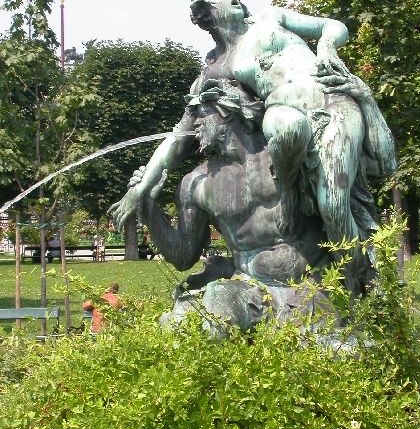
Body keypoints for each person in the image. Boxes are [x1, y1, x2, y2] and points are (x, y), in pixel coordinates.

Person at [111, 0, 396, 295]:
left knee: (333, 203)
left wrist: (330, 51)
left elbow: (332, 27)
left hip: (324, 112)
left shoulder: (267, 22)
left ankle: (362, 288)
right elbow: (177, 139)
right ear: (205, 13)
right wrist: (145, 198)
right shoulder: (198, 182)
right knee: (285, 124)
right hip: (250, 289)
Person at [130, 81, 339, 335]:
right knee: (203, 322)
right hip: (249, 289)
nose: (194, 124)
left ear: (226, 112)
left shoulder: (283, 152)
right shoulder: (196, 183)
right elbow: (184, 256)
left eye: (201, 114)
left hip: (315, 284)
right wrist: (148, 207)